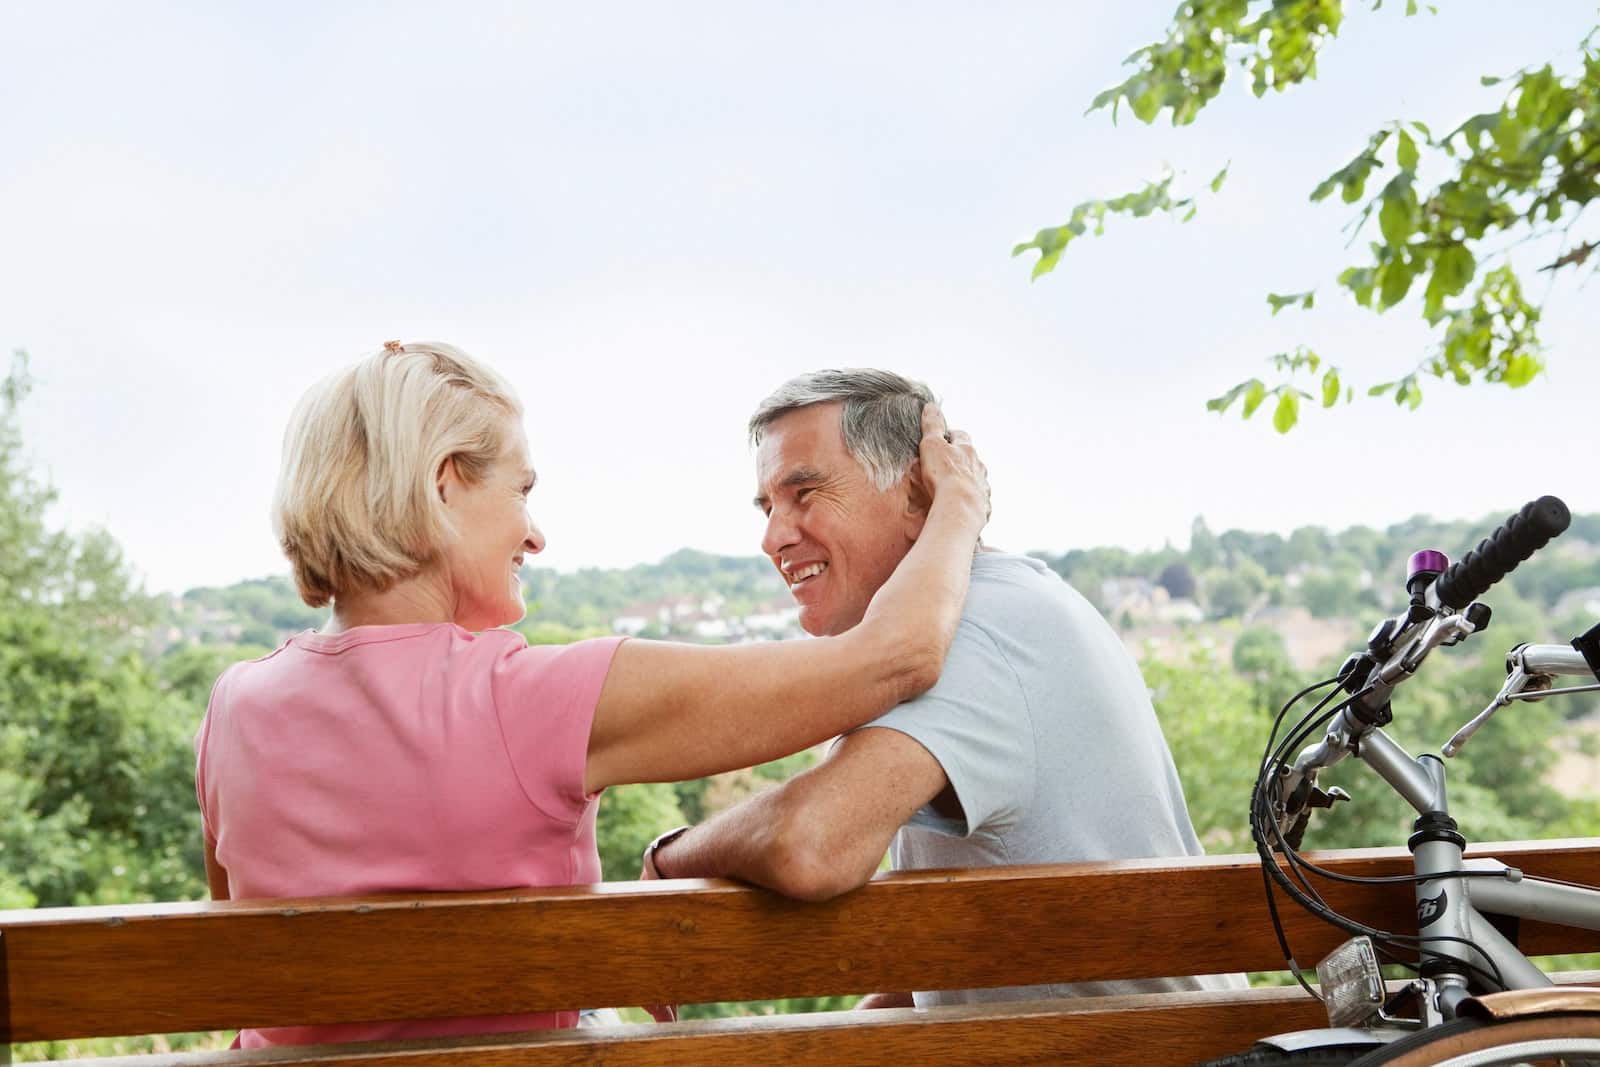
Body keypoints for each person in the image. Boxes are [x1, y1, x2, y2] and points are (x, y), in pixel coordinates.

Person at [192, 343, 989, 1048]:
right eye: (520, 489)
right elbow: (899, 656)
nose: (534, 533)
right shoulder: (533, 699)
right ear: (443, 490)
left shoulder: (236, 706)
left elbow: (246, 952)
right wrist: (957, 504)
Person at [642, 368, 1241, 1008]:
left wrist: (668, 860)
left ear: (917, 495)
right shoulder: (1002, 603)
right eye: (767, 507)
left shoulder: (979, 632)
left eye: (806, 492)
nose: (773, 537)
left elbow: (809, 842)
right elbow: (945, 975)